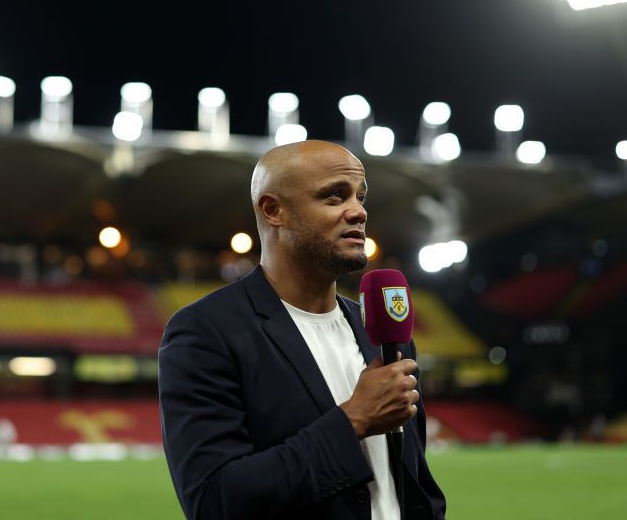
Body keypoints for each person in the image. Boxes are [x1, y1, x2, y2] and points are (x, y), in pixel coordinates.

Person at [159, 140, 446, 520]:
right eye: (334, 197)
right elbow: (215, 501)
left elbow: (412, 483)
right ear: (273, 209)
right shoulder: (206, 332)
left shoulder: (383, 330)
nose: (358, 212)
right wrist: (353, 420)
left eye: (360, 198)